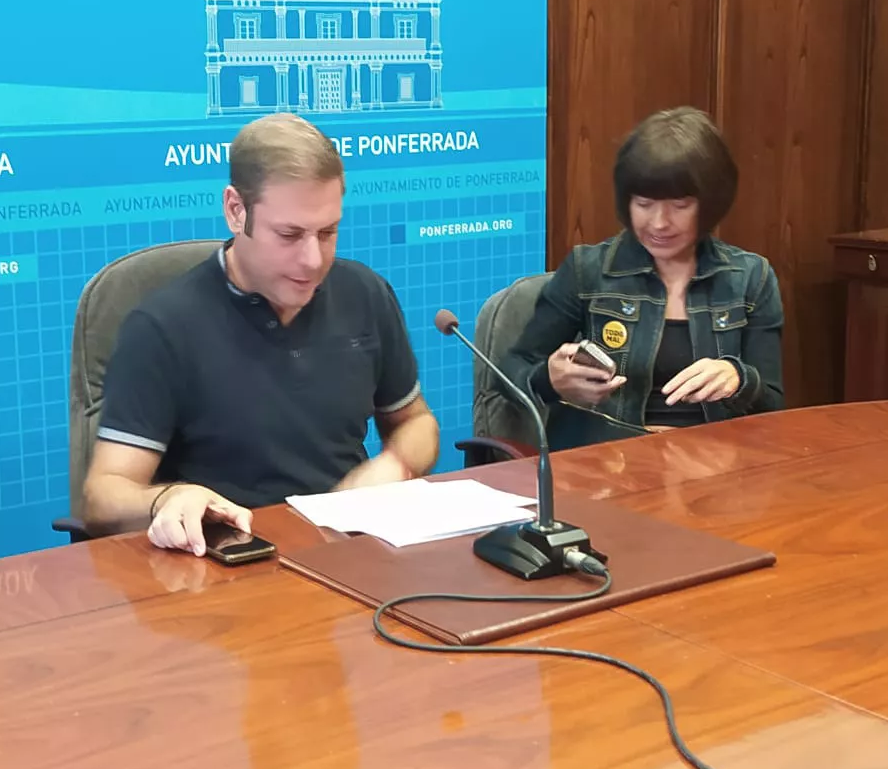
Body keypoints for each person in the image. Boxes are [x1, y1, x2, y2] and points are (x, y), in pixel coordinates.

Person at [80, 112, 440, 555]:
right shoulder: (163, 326)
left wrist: (397, 462)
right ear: (236, 211)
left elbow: (416, 422)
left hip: (351, 550)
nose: (313, 260)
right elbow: (102, 495)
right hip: (230, 564)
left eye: (327, 233)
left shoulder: (364, 293)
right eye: (289, 235)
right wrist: (167, 498)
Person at [505, 106, 783, 449]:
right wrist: (549, 378)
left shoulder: (750, 278)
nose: (659, 223)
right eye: (644, 203)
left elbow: (772, 403)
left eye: (679, 206)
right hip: (609, 464)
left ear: (710, 204)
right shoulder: (588, 270)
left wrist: (739, 379)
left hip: (714, 465)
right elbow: (509, 371)